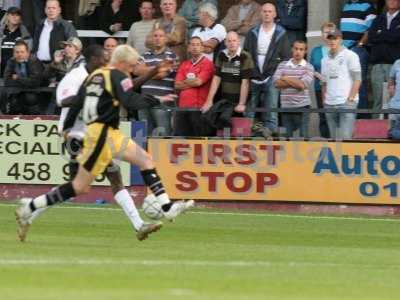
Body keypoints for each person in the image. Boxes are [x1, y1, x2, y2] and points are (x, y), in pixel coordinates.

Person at [15, 45, 194, 242]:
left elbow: (78, 101)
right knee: (79, 187)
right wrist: (156, 101)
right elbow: (128, 100)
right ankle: (30, 207)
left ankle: (167, 208)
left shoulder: (96, 76)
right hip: (98, 136)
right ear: (124, 63)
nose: (134, 69)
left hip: (107, 133)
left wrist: (66, 127)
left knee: (145, 159)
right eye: (133, 65)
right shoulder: (116, 75)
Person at [243, 2, 290, 137]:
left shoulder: (281, 32)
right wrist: (250, 71)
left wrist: (277, 74)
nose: (267, 13)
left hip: (272, 74)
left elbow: (286, 56)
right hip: (254, 73)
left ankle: (271, 135)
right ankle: (247, 135)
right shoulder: (253, 32)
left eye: (270, 11)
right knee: (250, 107)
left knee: (271, 107)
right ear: (260, 13)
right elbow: (246, 54)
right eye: (264, 11)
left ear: (275, 14)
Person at [135, 28, 178, 136]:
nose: (158, 38)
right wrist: (156, 69)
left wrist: (145, 72)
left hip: (162, 103)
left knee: (163, 136)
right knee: (144, 137)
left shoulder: (172, 56)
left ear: (166, 39)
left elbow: (161, 75)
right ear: (152, 38)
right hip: (144, 101)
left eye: (161, 36)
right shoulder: (144, 55)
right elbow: (135, 70)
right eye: (155, 36)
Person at [321, 29, 361, 140]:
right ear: (326, 40)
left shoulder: (351, 55)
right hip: (330, 103)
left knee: (346, 139)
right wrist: (324, 100)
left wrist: (350, 99)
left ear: (341, 39)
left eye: (335, 38)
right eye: (330, 38)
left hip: (346, 103)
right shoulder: (324, 59)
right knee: (334, 140)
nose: (332, 41)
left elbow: (357, 79)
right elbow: (324, 82)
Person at [203, 31, 253, 115]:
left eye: (234, 40)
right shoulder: (221, 54)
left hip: (241, 100)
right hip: (224, 99)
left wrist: (241, 103)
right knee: (224, 126)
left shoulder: (245, 56)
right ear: (225, 43)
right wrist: (209, 100)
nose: (232, 43)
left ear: (238, 42)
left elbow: (246, 82)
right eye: (229, 41)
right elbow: (216, 79)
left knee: (238, 126)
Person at [174, 36, 214, 136]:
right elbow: (177, 85)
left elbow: (198, 82)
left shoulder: (208, 64)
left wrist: (185, 82)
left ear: (202, 48)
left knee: (198, 140)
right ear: (188, 48)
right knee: (181, 139)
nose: (195, 47)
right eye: (192, 44)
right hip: (182, 108)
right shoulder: (184, 64)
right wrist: (192, 82)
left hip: (198, 109)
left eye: (198, 45)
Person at [340, 0, 376, 111]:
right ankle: (351, 115)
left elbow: (371, 29)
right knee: (346, 83)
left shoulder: (368, 6)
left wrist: (360, 44)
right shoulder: (346, 6)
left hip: (358, 50)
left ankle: (362, 116)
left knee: (359, 83)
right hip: (344, 50)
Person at [273, 40, 314, 138]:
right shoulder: (282, 65)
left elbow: (302, 86)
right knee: (286, 137)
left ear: (305, 51)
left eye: (301, 49)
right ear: (292, 49)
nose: (298, 52)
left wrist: (285, 78)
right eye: (296, 49)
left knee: (303, 136)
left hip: (303, 106)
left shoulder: (309, 67)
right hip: (286, 106)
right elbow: (276, 83)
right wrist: (296, 81)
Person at [368, 0, 400, 118]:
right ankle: (375, 131)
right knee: (377, 100)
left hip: (395, 65)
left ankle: (394, 129)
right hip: (377, 64)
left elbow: (397, 37)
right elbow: (371, 37)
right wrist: (390, 34)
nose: (392, 1)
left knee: (395, 100)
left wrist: (381, 34)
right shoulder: (378, 19)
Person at [2, 39, 43, 114]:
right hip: (17, 91)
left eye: (22, 52)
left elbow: (35, 82)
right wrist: (26, 82)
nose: (19, 54)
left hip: (35, 92)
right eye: (17, 52)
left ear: (27, 52)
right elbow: (6, 81)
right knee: (9, 98)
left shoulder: (34, 61)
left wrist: (18, 78)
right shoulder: (11, 61)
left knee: (29, 98)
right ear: (13, 53)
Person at [310, 22, 335, 138]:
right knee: (323, 116)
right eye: (326, 32)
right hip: (319, 87)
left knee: (335, 116)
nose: (329, 34)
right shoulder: (316, 50)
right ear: (322, 34)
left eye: (331, 32)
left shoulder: (341, 50)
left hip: (336, 89)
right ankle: (326, 142)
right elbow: (310, 68)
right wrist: (320, 77)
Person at [0, 6, 31, 77]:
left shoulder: (24, 34)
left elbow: (27, 55)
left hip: (17, 74)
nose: (15, 17)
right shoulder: (1, 32)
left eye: (17, 15)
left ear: (20, 18)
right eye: (12, 15)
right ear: (7, 16)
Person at [388, 58, 400, 139]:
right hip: (395, 106)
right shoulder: (397, 62)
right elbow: (391, 80)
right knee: (394, 134)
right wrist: (392, 90)